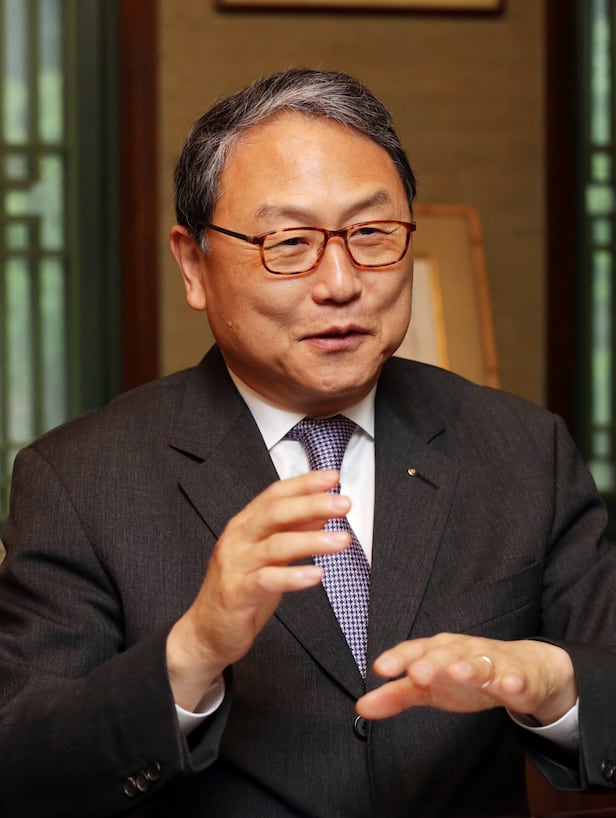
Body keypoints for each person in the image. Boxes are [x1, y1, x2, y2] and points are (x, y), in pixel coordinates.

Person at [0, 67, 615, 818]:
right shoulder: (79, 480)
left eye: (371, 235)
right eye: (289, 243)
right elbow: (21, 768)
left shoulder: (522, 449)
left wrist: (555, 686)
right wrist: (191, 652)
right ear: (193, 265)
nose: (340, 283)